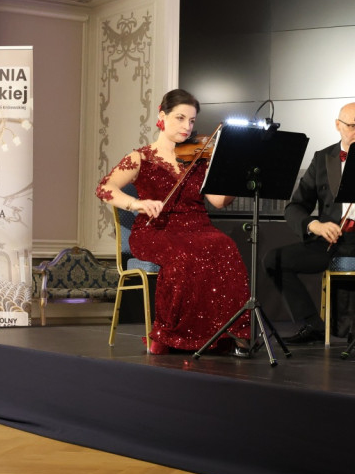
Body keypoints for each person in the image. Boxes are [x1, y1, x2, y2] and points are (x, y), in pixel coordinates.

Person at [95, 88, 251, 356]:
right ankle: (171, 334)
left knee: (225, 246)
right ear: (162, 116)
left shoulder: (198, 158)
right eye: (180, 118)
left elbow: (217, 201)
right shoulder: (140, 158)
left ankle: (227, 332)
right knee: (183, 256)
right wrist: (137, 204)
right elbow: (105, 189)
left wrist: (233, 174)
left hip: (198, 227)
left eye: (191, 121)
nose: (186, 127)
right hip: (155, 230)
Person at [263, 102, 355, 349]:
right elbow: (295, 207)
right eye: (352, 125)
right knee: (273, 260)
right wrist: (314, 225)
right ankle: (312, 324)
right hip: (329, 239)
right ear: (338, 125)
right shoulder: (322, 159)